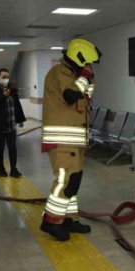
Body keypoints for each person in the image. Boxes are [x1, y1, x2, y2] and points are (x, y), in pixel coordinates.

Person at [40, 38, 101, 241]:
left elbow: (87, 97)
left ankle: (68, 219)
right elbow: (70, 94)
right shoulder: (60, 73)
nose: (88, 67)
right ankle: (51, 221)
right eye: (86, 63)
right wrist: (84, 78)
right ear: (78, 58)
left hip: (75, 139)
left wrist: (88, 79)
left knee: (74, 181)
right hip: (63, 139)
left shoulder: (74, 75)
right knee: (65, 181)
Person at [0, 68, 26, 178]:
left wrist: (20, 119)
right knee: (0, 147)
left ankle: (14, 169)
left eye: (7, 77)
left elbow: (16, 105)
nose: (6, 79)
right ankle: (1, 169)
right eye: (3, 77)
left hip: (11, 124)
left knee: (12, 147)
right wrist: (3, 96)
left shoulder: (11, 89)